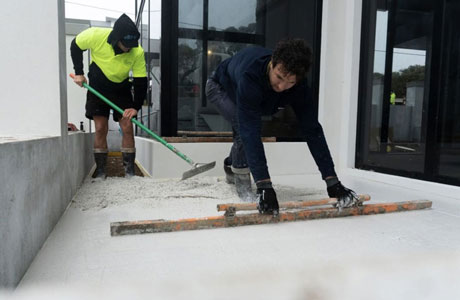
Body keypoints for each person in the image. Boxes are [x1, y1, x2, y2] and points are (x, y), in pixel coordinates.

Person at [205, 38, 359, 215]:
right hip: (220, 87)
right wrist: (264, 185)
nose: (281, 86)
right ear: (272, 63)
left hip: (245, 91)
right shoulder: (251, 75)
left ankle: (230, 165)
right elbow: (251, 132)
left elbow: (312, 129)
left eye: (290, 82)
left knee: (245, 129)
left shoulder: (299, 87)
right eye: (279, 77)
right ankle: (242, 183)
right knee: (243, 128)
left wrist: (332, 181)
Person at [70, 14, 147, 179]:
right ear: (116, 38)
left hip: (121, 89)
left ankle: (130, 173)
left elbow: (141, 81)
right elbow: (75, 45)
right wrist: (79, 73)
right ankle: (101, 173)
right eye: (126, 44)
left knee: (127, 126)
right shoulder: (96, 35)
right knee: (100, 128)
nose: (129, 48)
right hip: (98, 86)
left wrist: (136, 106)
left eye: (132, 45)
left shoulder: (137, 51)